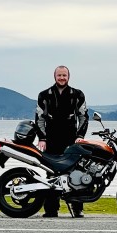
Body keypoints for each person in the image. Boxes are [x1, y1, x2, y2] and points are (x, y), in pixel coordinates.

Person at [35, 65, 89, 218]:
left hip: (72, 140)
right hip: (51, 139)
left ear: (68, 77)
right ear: (54, 76)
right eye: (59, 75)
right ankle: (51, 210)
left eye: (64, 75)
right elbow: (39, 118)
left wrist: (80, 136)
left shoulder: (77, 95)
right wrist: (42, 138)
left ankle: (77, 208)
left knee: (76, 173)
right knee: (52, 175)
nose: (62, 78)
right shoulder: (44, 95)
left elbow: (83, 116)